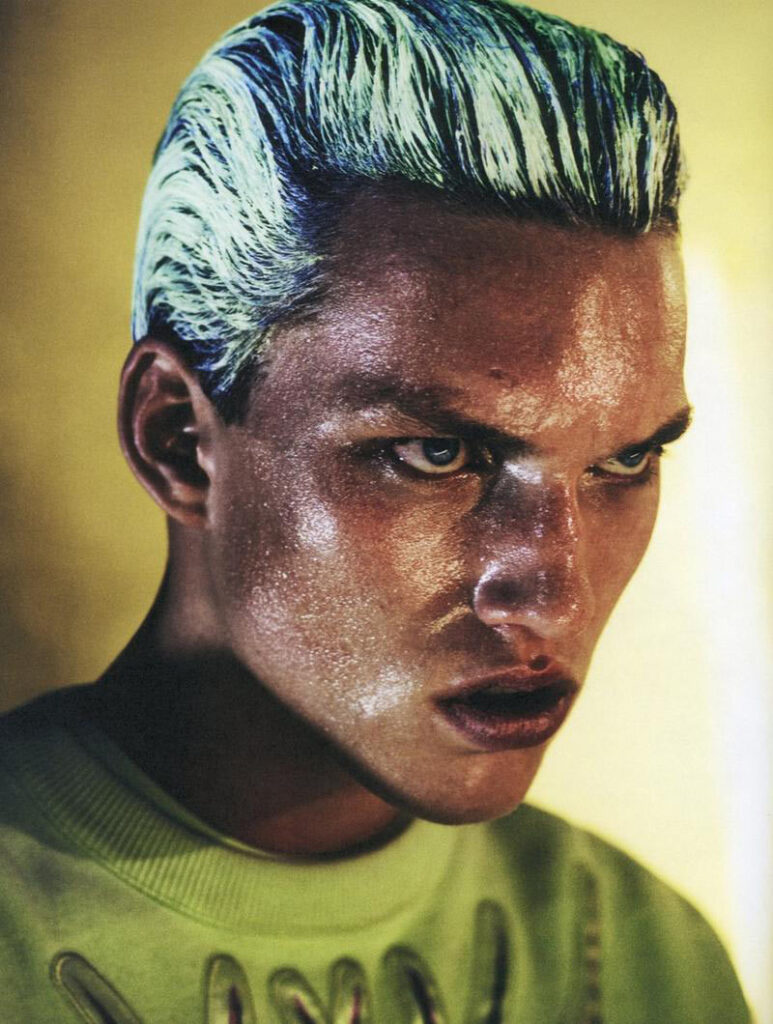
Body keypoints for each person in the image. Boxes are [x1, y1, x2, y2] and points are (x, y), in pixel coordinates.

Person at [0, 0, 751, 1020]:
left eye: (624, 459)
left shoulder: (642, 953)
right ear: (177, 436)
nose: (553, 595)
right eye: (438, 454)